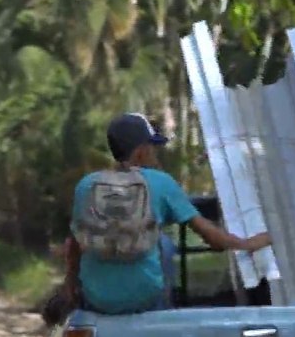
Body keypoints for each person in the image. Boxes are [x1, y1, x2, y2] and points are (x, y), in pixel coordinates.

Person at [61, 113, 270, 315]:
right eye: (153, 147)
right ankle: (164, 313)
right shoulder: (161, 182)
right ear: (141, 151)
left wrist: (70, 287)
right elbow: (211, 237)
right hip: (146, 297)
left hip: (97, 299)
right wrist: (248, 244)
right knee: (162, 242)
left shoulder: (87, 185)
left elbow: (74, 245)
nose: (155, 154)